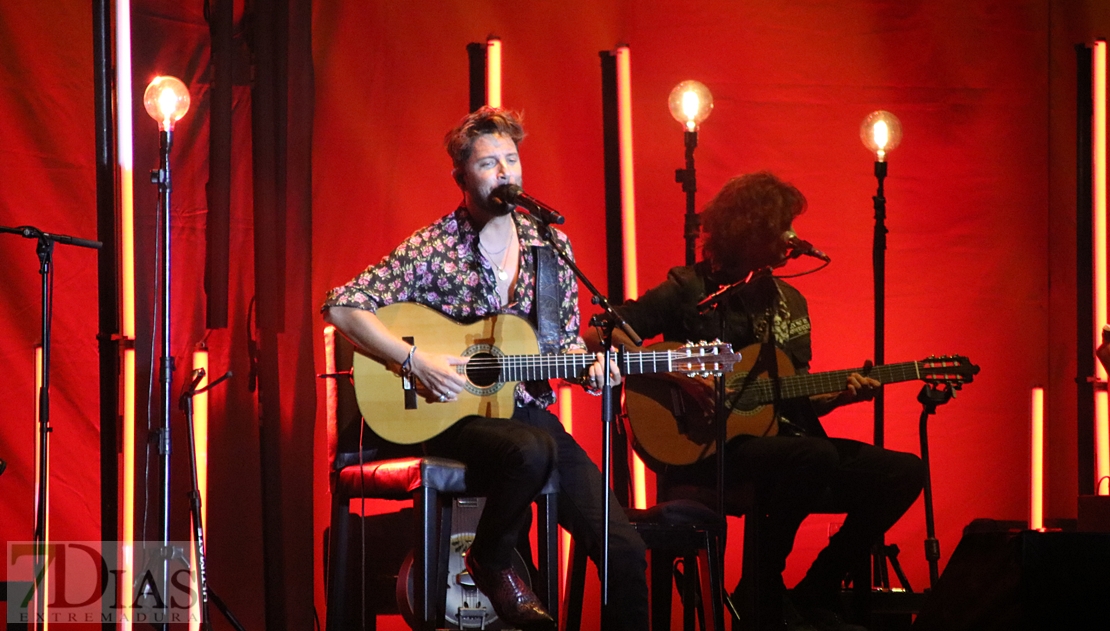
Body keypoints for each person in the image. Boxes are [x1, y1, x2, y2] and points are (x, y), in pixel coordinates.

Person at [322, 106, 649, 630]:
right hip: (450, 415)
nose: (504, 172)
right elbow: (341, 306)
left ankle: (499, 562)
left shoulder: (550, 248)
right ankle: (492, 562)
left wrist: (588, 370)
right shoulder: (435, 247)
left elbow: (559, 348)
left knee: (624, 550)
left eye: (512, 160)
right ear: (462, 177)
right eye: (488, 162)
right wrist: (414, 360)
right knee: (528, 449)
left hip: (526, 414)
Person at [608, 172, 925, 631]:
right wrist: (674, 370)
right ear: (749, 230)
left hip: (785, 448)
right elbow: (607, 330)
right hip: (703, 449)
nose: (792, 237)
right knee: (810, 456)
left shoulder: (789, 302)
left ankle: (812, 588)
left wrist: (839, 398)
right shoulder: (691, 290)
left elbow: (791, 399)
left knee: (903, 471)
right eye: (781, 226)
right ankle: (764, 590)